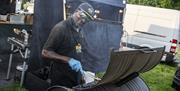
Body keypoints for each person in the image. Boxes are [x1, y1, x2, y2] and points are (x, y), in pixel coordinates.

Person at [41, 2, 95, 88]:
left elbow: (80, 48)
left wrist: (85, 72)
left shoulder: (80, 30)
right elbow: (45, 52)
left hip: (75, 75)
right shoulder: (61, 28)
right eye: (83, 16)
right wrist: (69, 60)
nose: (83, 21)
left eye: (87, 20)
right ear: (77, 11)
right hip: (60, 76)